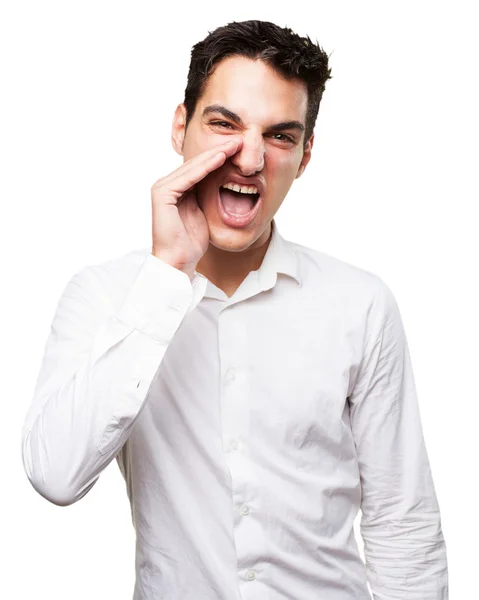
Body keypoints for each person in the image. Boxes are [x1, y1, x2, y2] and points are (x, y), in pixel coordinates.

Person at [21, 19, 449, 600]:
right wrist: (165, 277)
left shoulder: (360, 304)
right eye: (224, 124)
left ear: (304, 155)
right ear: (181, 127)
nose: (249, 160)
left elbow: (404, 522)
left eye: (279, 136)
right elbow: (55, 474)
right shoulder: (105, 296)